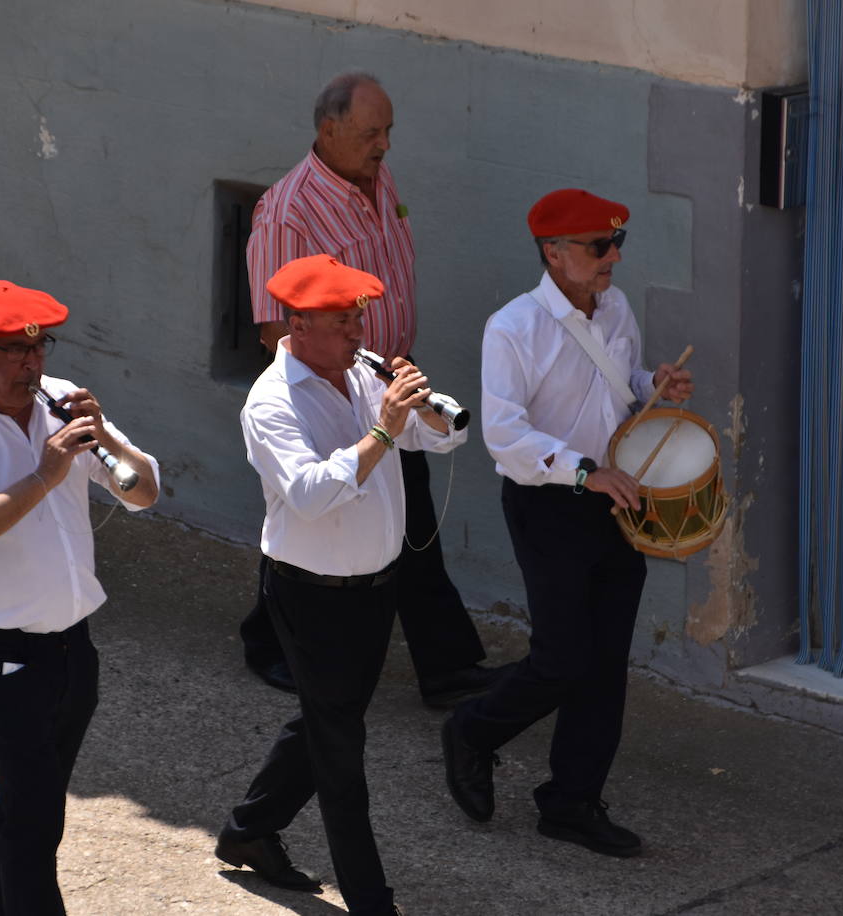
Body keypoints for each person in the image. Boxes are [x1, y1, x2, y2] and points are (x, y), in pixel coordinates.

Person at [440, 190, 693, 857]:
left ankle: (572, 801)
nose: (612, 257)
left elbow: (619, 383)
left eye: (617, 244)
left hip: (614, 499)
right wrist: (583, 471)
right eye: (597, 246)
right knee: (561, 659)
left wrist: (651, 384)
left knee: (606, 661)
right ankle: (473, 729)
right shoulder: (513, 328)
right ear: (554, 254)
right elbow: (504, 435)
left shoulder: (615, 309)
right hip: (550, 501)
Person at [216, 254, 466, 916]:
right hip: (312, 595)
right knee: (341, 752)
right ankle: (370, 900)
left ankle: (248, 830)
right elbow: (308, 494)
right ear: (298, 324)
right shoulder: (271, 402)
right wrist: (382, 426)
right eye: (342, 321)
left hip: (374, 588)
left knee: (331, 720)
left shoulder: (360, 371)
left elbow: (431, 441)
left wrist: (425, 412)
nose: (359, 333)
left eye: (359, 319)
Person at [241, 69, 497, 706]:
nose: (384, 145)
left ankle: (436, 663)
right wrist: (346, 385)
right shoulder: (288, 211)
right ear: (329, 131)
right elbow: (278, 332)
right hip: (332, 381)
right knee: (330, 509)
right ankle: (444, 668)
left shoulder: (377, 182)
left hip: (381, 370)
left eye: (387, 131)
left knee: (381, 514)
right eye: (369, 133)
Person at [0, 280, 159, 915]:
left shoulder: (58, 405)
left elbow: (144, 492)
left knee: (28, 802)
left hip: (72, 646)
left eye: (39, 347)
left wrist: (105, 435)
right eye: (14, 353)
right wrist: (45, 474)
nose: (33, 363)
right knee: (36, 816)